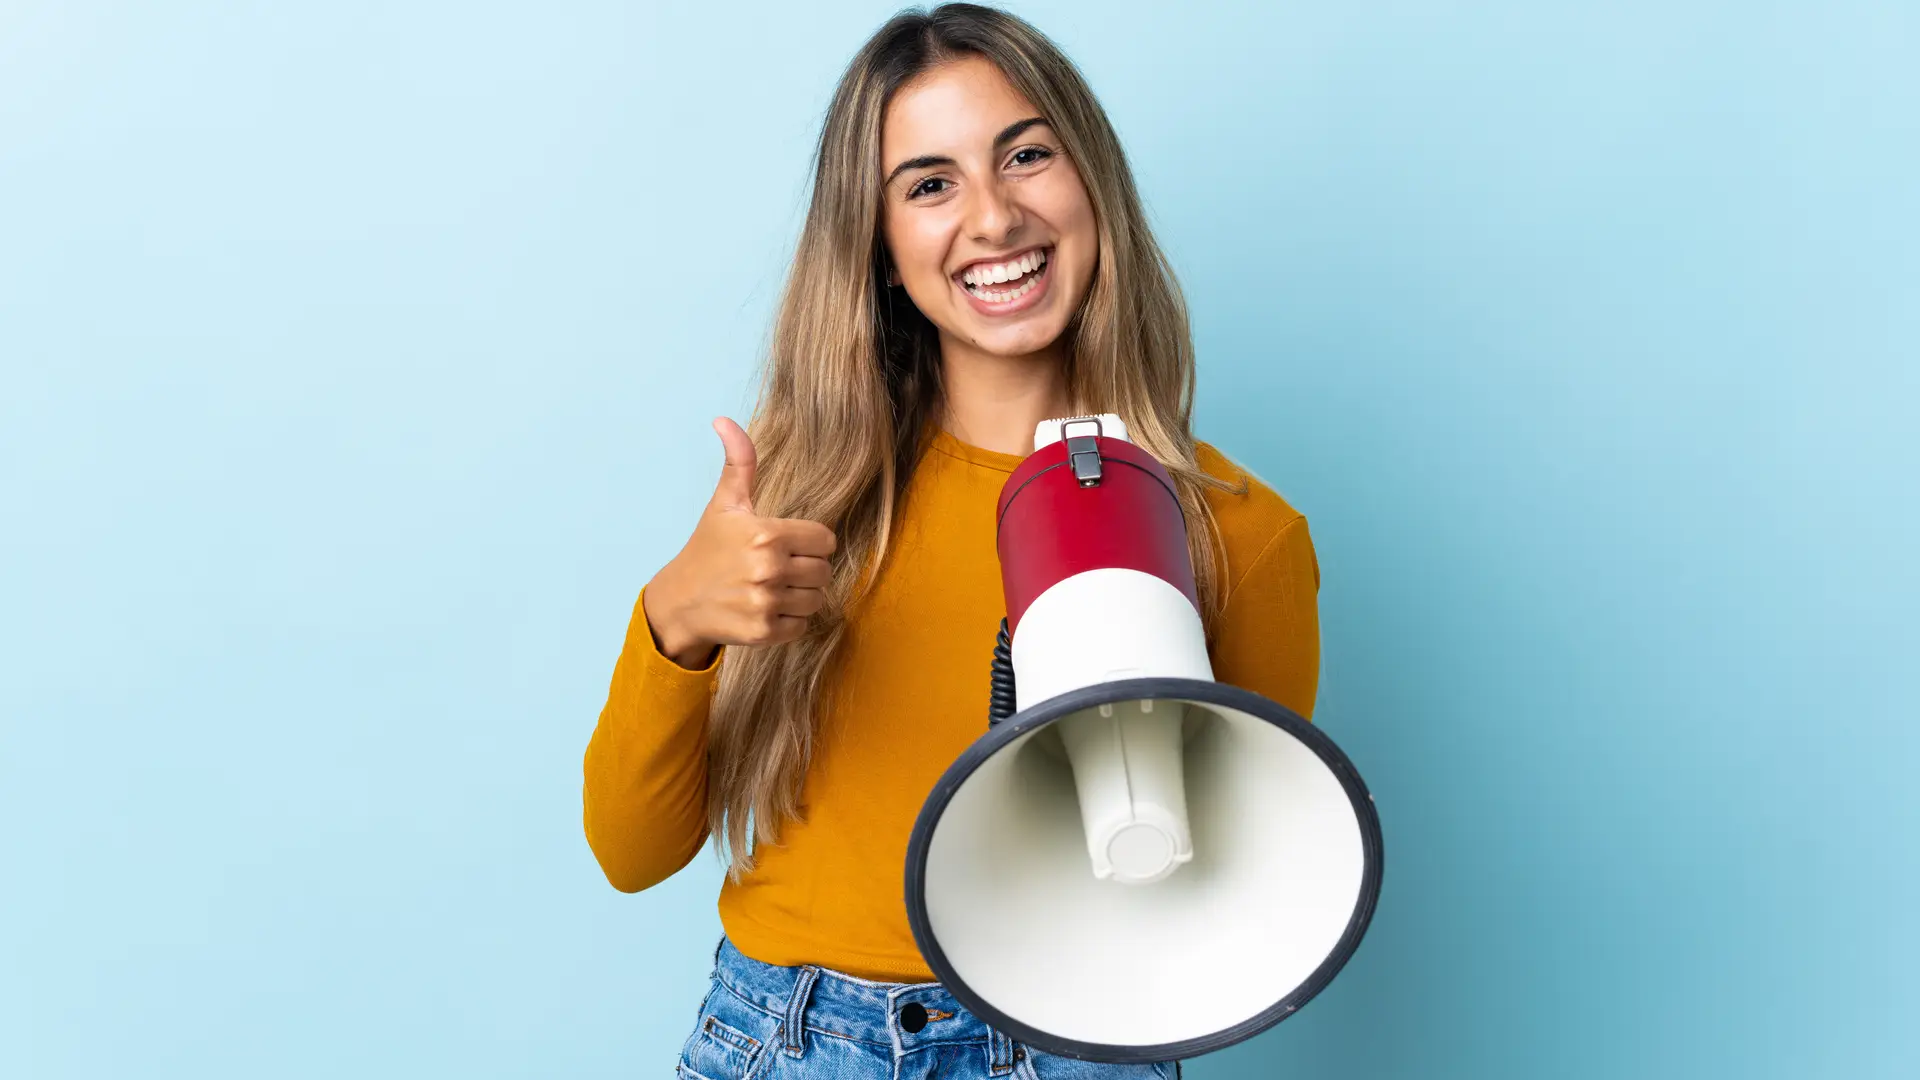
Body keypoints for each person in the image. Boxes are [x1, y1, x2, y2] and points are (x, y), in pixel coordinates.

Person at [582, 5, 1321, 1077]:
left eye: (1026, 155)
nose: (993, 216)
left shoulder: (1237, 534)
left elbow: (1222, 896)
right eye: (930, 185)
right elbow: (630, 854)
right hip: (797, 1040)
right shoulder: (797, 511)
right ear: (879, 250)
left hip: (1082, 1040)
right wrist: (676, 621)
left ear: (1093, 187)